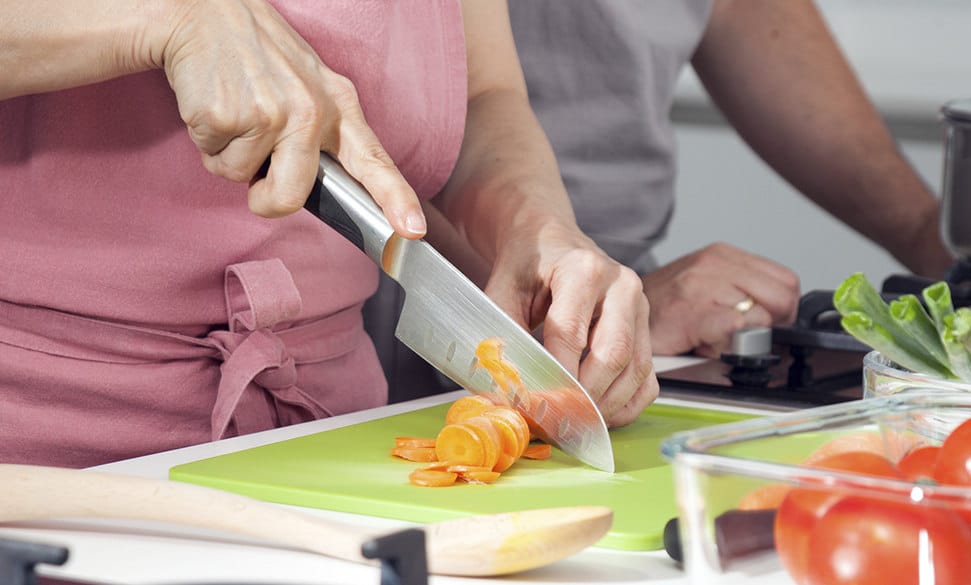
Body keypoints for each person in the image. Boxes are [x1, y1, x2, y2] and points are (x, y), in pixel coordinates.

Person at [0, 0, 656, 468]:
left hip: (327, 439)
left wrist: (536, 227)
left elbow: (482, 94)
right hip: (44, 464)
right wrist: (168, 15)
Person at [504, 0, 956, 358]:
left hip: (612, 305)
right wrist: (577, 316)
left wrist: (928, 236)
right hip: (477, 318)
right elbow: (461, 128)